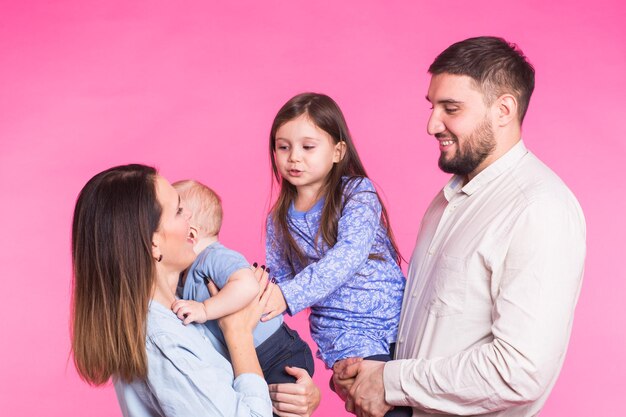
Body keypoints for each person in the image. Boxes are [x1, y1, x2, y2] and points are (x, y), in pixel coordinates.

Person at [333, 36, 586, 417]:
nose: (432, 124)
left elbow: (518, 372)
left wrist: (390, 381)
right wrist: (365, 370)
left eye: (450, 108)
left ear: (503, 110)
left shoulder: (538, 209)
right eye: (432, 106)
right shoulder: (445, 202)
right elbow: (427, 331)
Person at [70, 164, 320, 417]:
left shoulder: (182, 310)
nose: (190, 215)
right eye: (178, 210)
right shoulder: (163, 342)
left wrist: (298, 398)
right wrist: (238, 333)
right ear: (153, 243)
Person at [263, 93, 412, 416]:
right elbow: (281, 278)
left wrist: (286, 295)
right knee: (383, 406)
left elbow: (350, 254)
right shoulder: (278, 220)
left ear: (337, 151)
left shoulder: (357, 193)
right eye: (283, 146)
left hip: (398, 319)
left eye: (308, 146)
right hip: (346, 336)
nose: (294, 158)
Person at [170, 180, 315, 389]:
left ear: (191, 234)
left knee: (279, 404)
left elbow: (248, 285)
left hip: (279, 352)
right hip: (245, 358)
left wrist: (205, 308)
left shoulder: (214, 256)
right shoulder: (184, 274)